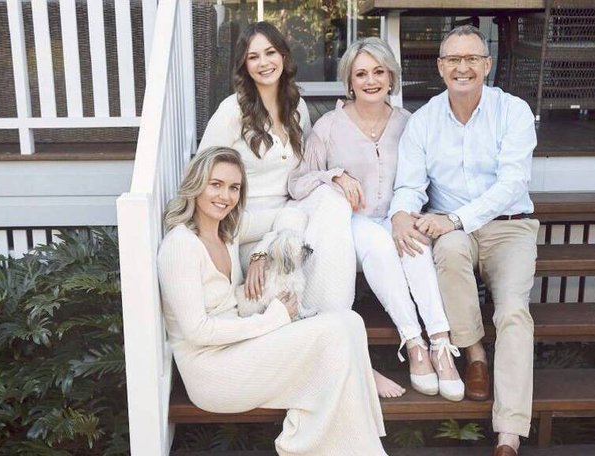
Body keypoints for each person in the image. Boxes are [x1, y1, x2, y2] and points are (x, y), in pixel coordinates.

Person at [158, 146, 387, 456]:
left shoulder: (227, 231)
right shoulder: (180, 245)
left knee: (350, 321)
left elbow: (290, 213)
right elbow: (198, 332)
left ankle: (354, 447)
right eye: (216, 184)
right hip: (212, 372)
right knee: (333, 334)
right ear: (196, 185)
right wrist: (272, 319)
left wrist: (261, 251)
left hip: (242, 349)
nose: (225, 196)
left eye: (234, 187)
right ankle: (314, 447)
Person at [389, 25, 539, 456]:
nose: (463, 67)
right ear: (440, 67)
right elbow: (410, 185)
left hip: (509, 225)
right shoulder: (424, 121)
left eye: (472, 58)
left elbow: (513, 184)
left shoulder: (513, 111)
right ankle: (474, 355)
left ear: (487, 65)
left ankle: (508, 434)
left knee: (513, 312)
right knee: (449, 253)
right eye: (453, 59)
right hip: (453, 233)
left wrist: (455, 218)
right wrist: (401, 214)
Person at [289, 37, 464, 401]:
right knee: (382, 246)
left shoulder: (409, 123)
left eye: (379, 72)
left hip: (398, 215)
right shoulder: (329, 126)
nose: (371, 80)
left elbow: (428, 176)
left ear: (391, 78)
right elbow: (297, 182)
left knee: (412, 245)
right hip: (351, 223)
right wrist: (335, 175)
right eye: (361, 73)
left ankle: (440, 344)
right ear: (349, 82)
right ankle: (413, 342)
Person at [198, 22, 355, 314]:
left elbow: (307, 173)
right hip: (248, 226)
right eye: (253, 56)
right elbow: (203, 174)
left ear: (283, 55)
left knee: (334, 202)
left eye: (270, 52)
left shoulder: (298, 109)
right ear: (244, 65)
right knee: (282, 274)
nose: (263, 63)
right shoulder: (233, 111)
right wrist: (261, 250)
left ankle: (333, 315)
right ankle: (305, 326)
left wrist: (338, 176)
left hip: (290, 222)